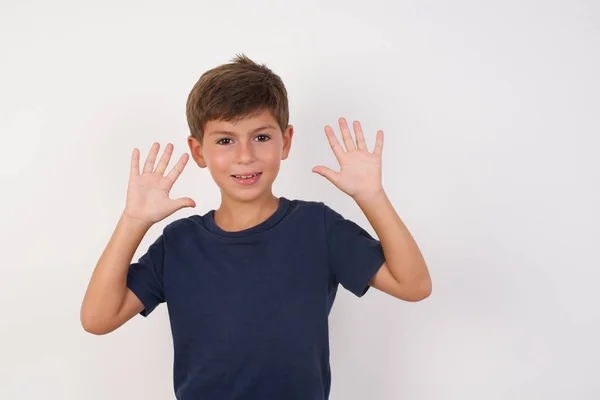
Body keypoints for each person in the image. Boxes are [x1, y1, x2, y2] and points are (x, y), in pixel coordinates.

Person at [80, 54, 432, 399]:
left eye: (261, 137)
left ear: (286, 141)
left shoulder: (317, 227)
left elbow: (413, 285)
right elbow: (98, 318)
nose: (244, 156)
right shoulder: (179, 242)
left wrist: (372, 196)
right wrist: (133, 222)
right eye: (225, 140)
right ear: (199, 150)